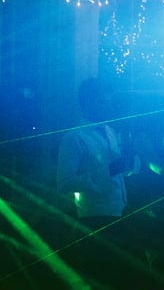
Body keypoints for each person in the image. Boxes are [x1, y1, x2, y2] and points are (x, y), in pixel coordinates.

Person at [56, 78, 132, 288]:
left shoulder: (110, 131)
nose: (108, 104)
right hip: (94, 220)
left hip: (121, 213)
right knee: (100, 278)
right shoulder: (74, 138)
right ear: (87, 102)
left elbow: (118, 175)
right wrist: (107, 171)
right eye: (102, 100)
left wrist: (131, 164)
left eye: (108, 100)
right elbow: (63, 184)